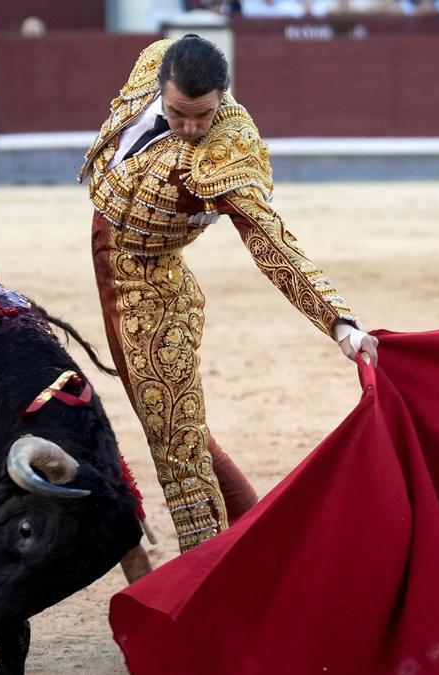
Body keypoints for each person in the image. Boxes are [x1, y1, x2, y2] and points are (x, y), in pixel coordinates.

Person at [79, 36, 377, 554]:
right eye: (178, 113)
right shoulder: (156, 58)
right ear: (160, 88)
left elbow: (271, 240)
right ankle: (263, 551)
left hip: (152, 297)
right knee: (178, 433)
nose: (192, 128)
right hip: (115, 274)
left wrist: (338, 321)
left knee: (180, 451)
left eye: (204, 116)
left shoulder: (226, 151)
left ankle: (226, 576)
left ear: (224, 98)